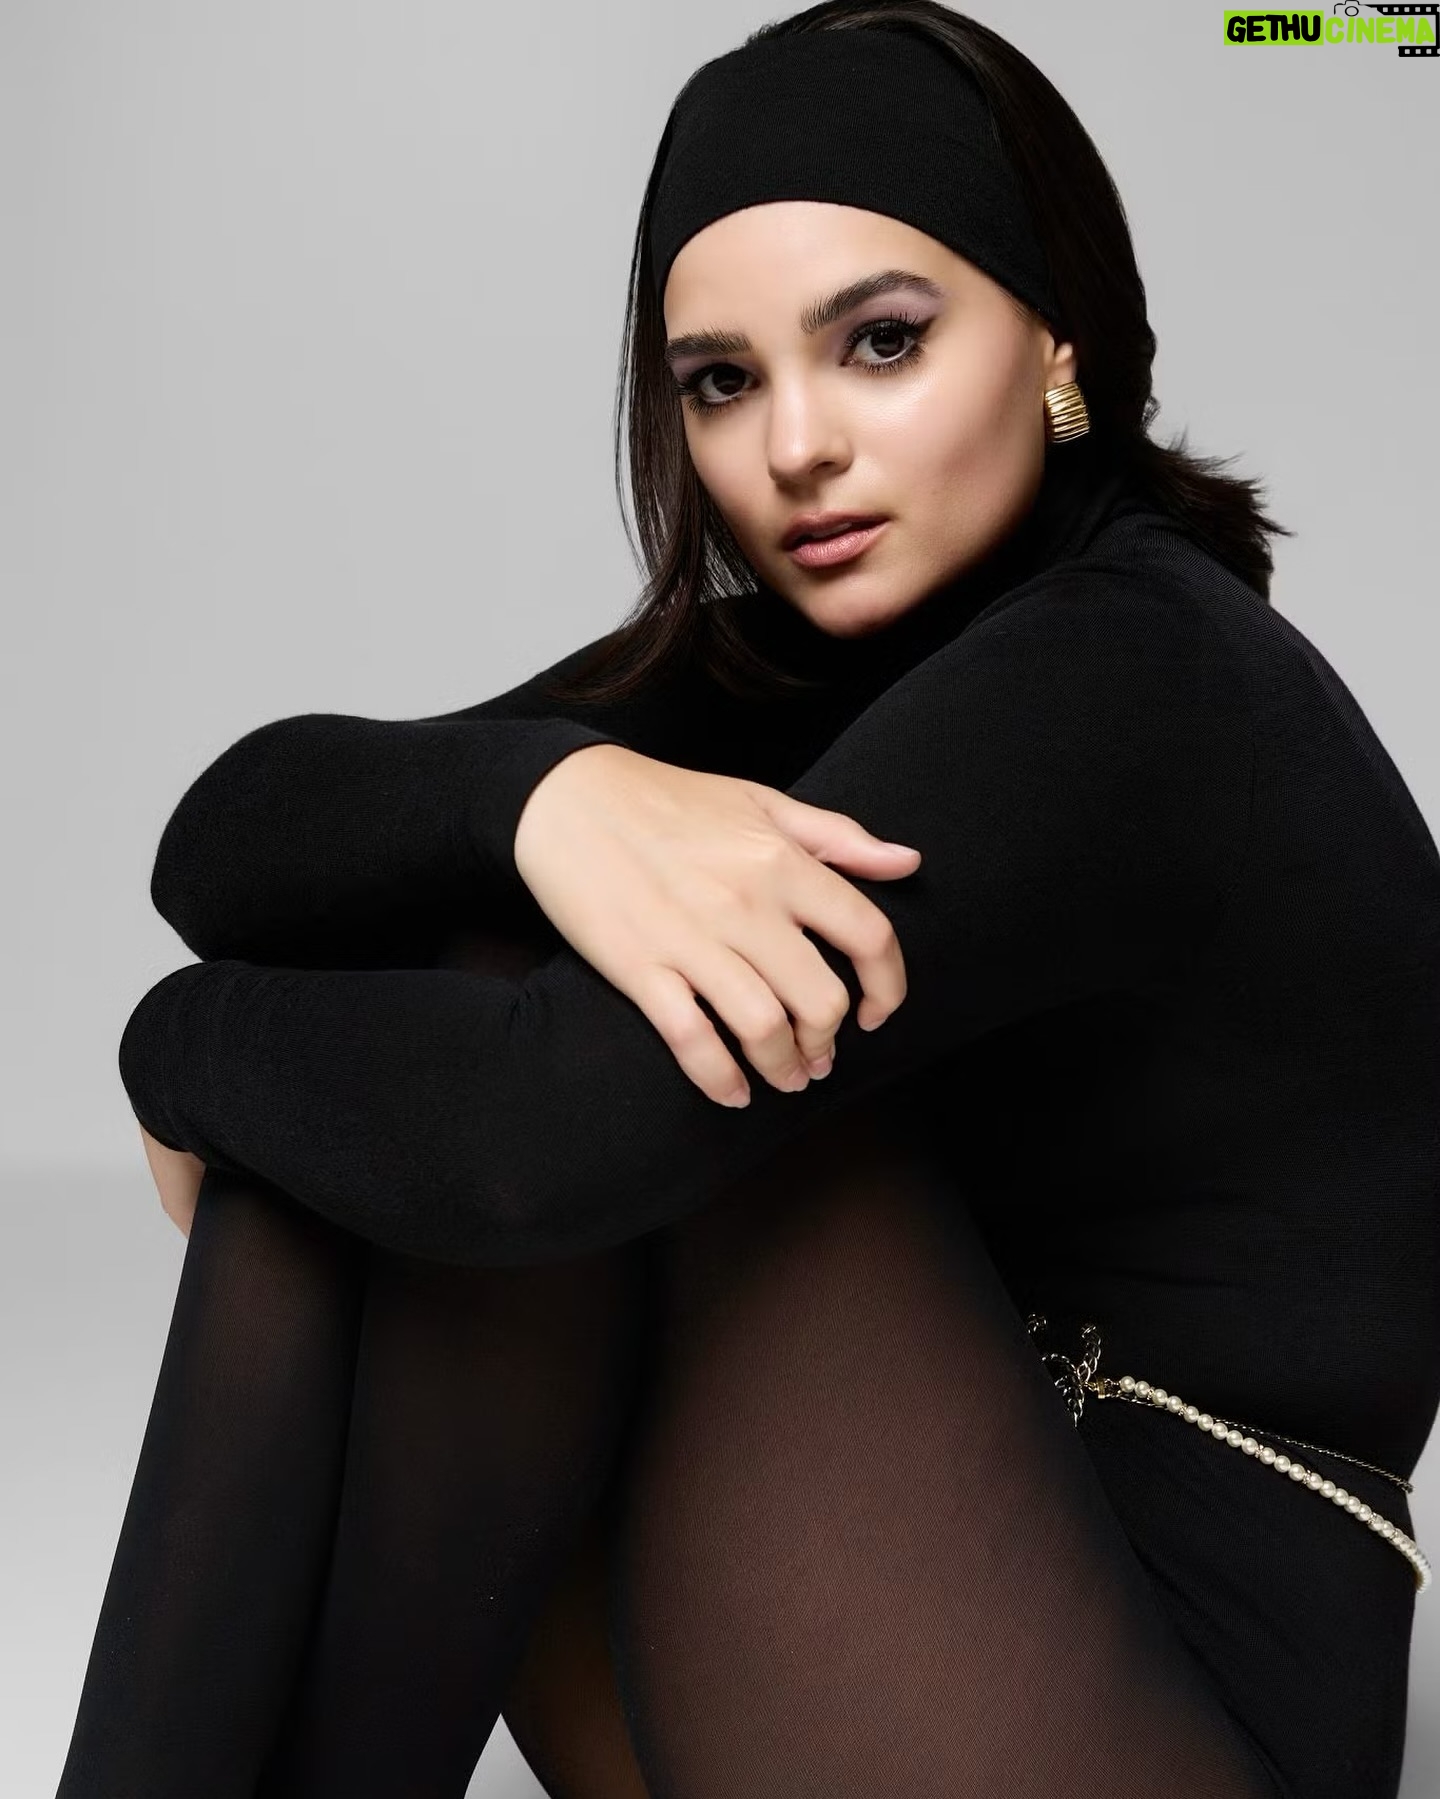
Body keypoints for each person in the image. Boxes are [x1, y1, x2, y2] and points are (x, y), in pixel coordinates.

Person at [55, 4, 1438, 1796]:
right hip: (857, 1589)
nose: (796, 447)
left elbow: (534, 1146)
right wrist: (541, 795)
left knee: (569, 1041)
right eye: (721, 381)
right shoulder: (806, 658)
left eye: (881, 343)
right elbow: (234, 839)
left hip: (1161, 1713)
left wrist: (178, 1050)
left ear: (1059, 341)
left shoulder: (1140, 671)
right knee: (495, 944)